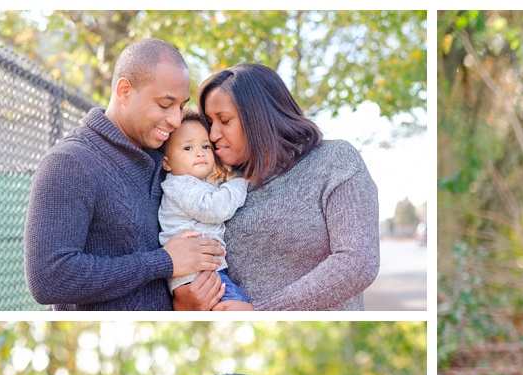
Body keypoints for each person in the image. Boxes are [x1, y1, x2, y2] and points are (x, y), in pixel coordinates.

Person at [24, 38, 226, 310]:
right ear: (124, 91)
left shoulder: (168, 154)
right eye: (165, 104)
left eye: (180, 106)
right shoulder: (69, 163)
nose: (176, 120)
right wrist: (162, 262)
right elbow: (49, 278)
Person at [172, 63, 379, 311]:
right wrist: (182, 301)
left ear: (259, 118)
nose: (213, 134)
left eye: (224, 121)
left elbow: (358, 263)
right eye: (209, 122)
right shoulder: (213, 186)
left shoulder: (334, 161)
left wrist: (261, 312)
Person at [158, 111, 250, 303]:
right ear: (166, 163)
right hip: (195, 274)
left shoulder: (198, 184)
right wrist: (240, 183)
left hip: (203, 270)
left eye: (205, 146)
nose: (200, 153)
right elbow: (215, 209)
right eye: (188, 148)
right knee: (236, 306)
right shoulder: (178, 185)